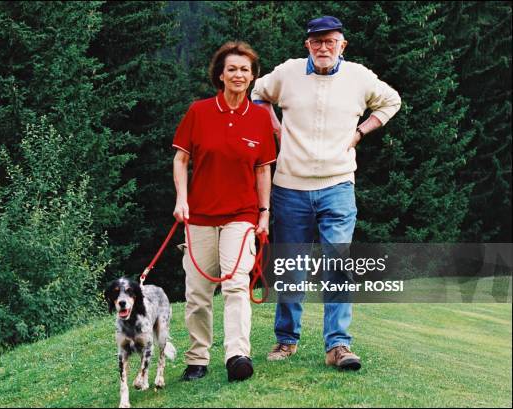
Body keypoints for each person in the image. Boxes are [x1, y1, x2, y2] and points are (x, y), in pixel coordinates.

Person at [251, 16, 401, 369]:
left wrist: (361, 132)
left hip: (338, 185)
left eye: (330, 41)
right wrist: (272, 124)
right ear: (307, 44)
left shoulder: (359, 77)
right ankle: (286, 340)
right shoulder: (287, 73)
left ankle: (338, 346)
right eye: (316, 41)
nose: (323, 48)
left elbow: (391, 101)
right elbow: (257, 93)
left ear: (342, 45)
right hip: (290, 186)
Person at [172, 41, 276, 382]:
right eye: (232, 68)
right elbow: (181, 159)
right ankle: (197, 358)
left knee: (235, 285)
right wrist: (181, 200)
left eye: (245, 70)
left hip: (242, 216)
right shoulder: (199, 112)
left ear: (252, 77)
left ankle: (237, 355)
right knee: (198, 293)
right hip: (199, 216)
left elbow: (263, 169)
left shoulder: (260, 118)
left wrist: (264, 212)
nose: (238, 74)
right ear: (220, 74)